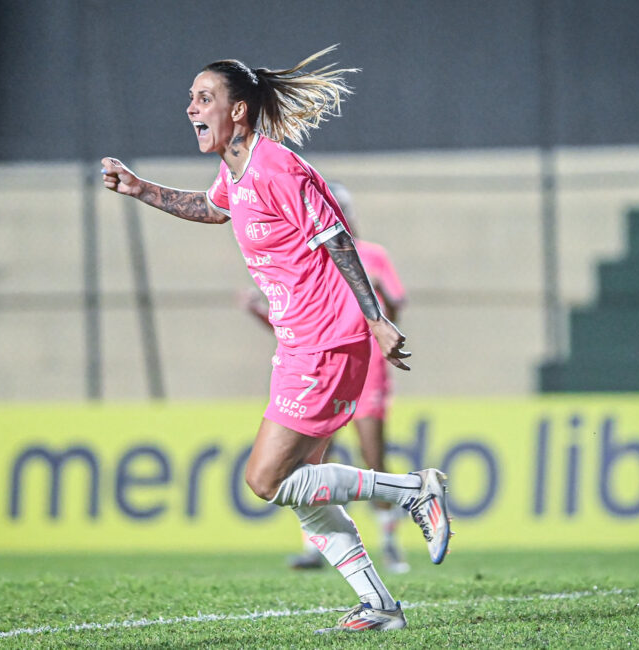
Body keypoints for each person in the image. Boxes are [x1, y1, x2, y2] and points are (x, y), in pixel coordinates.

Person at [101, 45, 451, 633]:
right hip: (301, 344)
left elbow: (337, 236)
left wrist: (374, 319)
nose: (191, 107)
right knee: (302, 493)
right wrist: (140, 189)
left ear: (238, 111)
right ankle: (381, 607)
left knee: (264, 480)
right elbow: (213, 209)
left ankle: (415, 489)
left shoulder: (274, 166)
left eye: (203, 98)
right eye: (191, 98)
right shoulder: (236, 173)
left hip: (326, 340)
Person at [240, 182, 410, 575]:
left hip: (367, 371)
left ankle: (389, 543)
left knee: (373, 456)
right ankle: (315, 547)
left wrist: (383, 311)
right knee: (311, 461)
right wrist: (258, 311)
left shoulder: (371, 256)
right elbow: (299, 326)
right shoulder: (310, 259)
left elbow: (393, 308)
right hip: (322, 369)